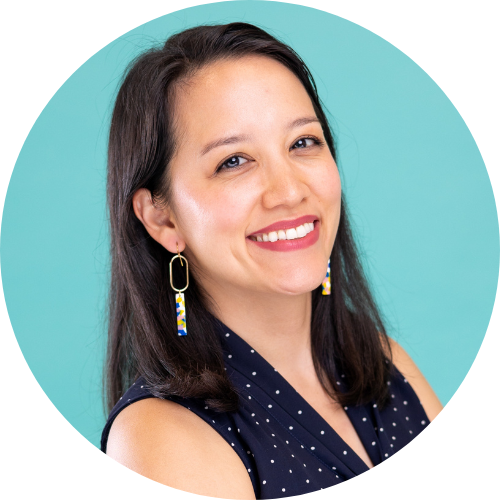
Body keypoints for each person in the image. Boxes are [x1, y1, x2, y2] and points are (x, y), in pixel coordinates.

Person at [101, 22, 442, 499]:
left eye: (303, 143)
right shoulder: (161, 438)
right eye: (234, 161)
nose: (289, 191)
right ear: (163, 220)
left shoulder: (386, 364)